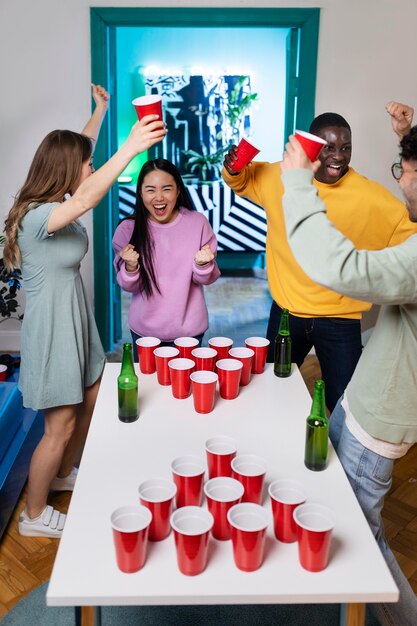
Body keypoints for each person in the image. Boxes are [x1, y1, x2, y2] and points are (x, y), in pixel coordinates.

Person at [3, 85, 166, 538]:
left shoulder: (56, 203)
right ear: (67, 172)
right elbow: (88, 195)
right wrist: (131, 146)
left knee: (92, 399)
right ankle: (34, 516)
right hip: (53, 332)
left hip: (76, 323)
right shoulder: (38, 217)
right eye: (87, 165)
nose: (91, 168)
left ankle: (61, 473)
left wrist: (99, 112)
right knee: (59, 425)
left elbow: (78, 158)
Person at [279, 101, 417, 626]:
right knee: (328, 485)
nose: (400, 183)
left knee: (361, 538)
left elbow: (340, 266)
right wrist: (407, 135)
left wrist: (297, 183)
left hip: (378, 419)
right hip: (365, 401)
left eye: (404, 171)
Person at [222, 113, 417, 412]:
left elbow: (412, 236)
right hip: (287, 312)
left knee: (344, 401)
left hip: (341, 320)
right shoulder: (280, 177)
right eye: (328, 147)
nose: (338, 156)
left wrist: (406, 139)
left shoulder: (373, 197)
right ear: (310, 147)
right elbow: (242, 178)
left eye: (346, 148)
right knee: (272, 385)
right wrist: (231, 165)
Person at [112, 158, 220, 352]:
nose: (159, 197)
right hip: (145, 333)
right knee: (148, 382)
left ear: (178, 190)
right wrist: (130, 267)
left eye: (167, 189)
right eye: (151, 190)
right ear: (140, 192)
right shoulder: (127, 230)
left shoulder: (198, 223)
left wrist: (203, 266)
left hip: (189, 332)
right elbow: (129, 286)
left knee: (186, 383)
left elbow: (208, 278)